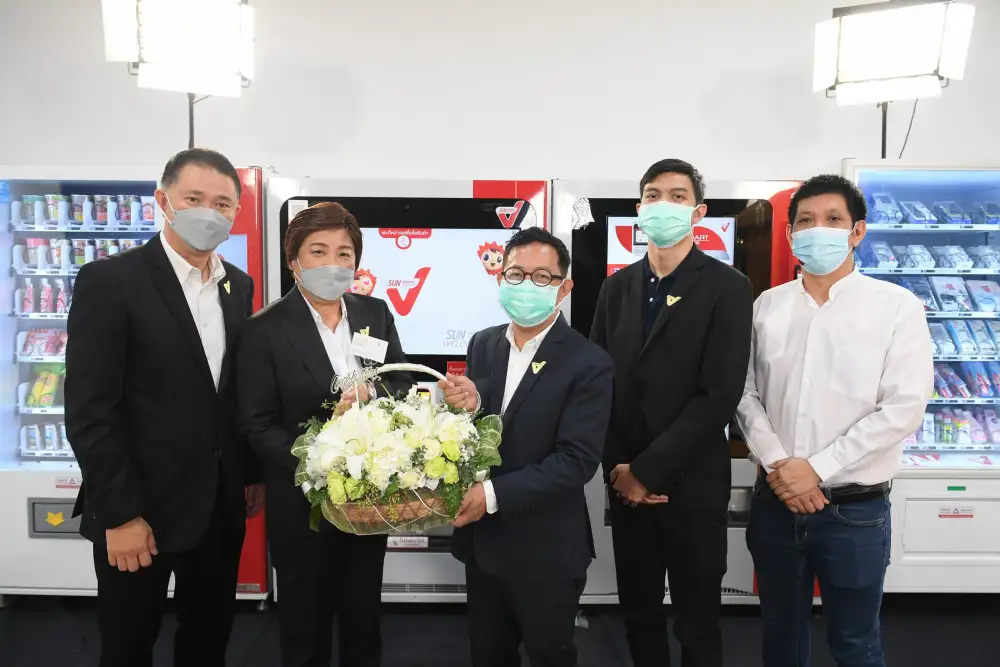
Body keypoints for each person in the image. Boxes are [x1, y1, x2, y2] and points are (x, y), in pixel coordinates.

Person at [65, 148, 264, 667]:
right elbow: (90, 410)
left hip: (218, 509)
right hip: (139, 511)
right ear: (163, 200)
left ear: (235, 213)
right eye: (193, 198)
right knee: (128, 645)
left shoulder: (237, 286)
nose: (208, 213)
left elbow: (232, 392)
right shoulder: (111, 282)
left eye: (222, 204)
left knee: (208, 641)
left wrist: (250, 473)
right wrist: (121, 514)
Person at [736, 174, 933, 667]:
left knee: (855, 642)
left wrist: (817, 468)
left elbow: (903, 407)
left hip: (854, 512)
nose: (817, 229)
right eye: (805, 220)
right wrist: (781, 465)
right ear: (789, 234)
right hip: (776, 503)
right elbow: (743, 392)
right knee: (781, 637)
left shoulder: (896, 307)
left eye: (832, 219)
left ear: (857, 231)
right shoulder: (767, 306)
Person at [589, 158, 753, 667]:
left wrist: (647, 471)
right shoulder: (616, 288)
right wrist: (620, 470)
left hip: (692, 485)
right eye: (653, 195)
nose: (664, 205)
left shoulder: (728, 287)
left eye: (678, 196)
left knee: (697, 621)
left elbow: (718, 395)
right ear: (639, 209)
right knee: (638, 613)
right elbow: (599, 385)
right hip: (626, 483)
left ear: (698, 212)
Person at [237, 202, 414, 667]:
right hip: (302, 504)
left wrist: (373, 396)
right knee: (305, 627)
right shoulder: (263, 330)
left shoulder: (374, 311)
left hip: (369, 498)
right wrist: (321, 462)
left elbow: (399, 380)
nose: (333, 263)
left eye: (344, 253)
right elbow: (256, 424)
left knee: (363, 620)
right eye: (318, 251)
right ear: (293, 260)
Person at [438, 226, 613, 667]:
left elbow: (576, 461)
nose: (526, 285)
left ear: (564, 288)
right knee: (488, 655)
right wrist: (466, 408)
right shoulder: (483, 343)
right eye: (516, 274)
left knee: (549, 655)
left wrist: (490, 495)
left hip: (545, 549)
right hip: (484, 546)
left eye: (541, 277)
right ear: (501, 279)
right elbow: (488, 427)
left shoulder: (588, 362)